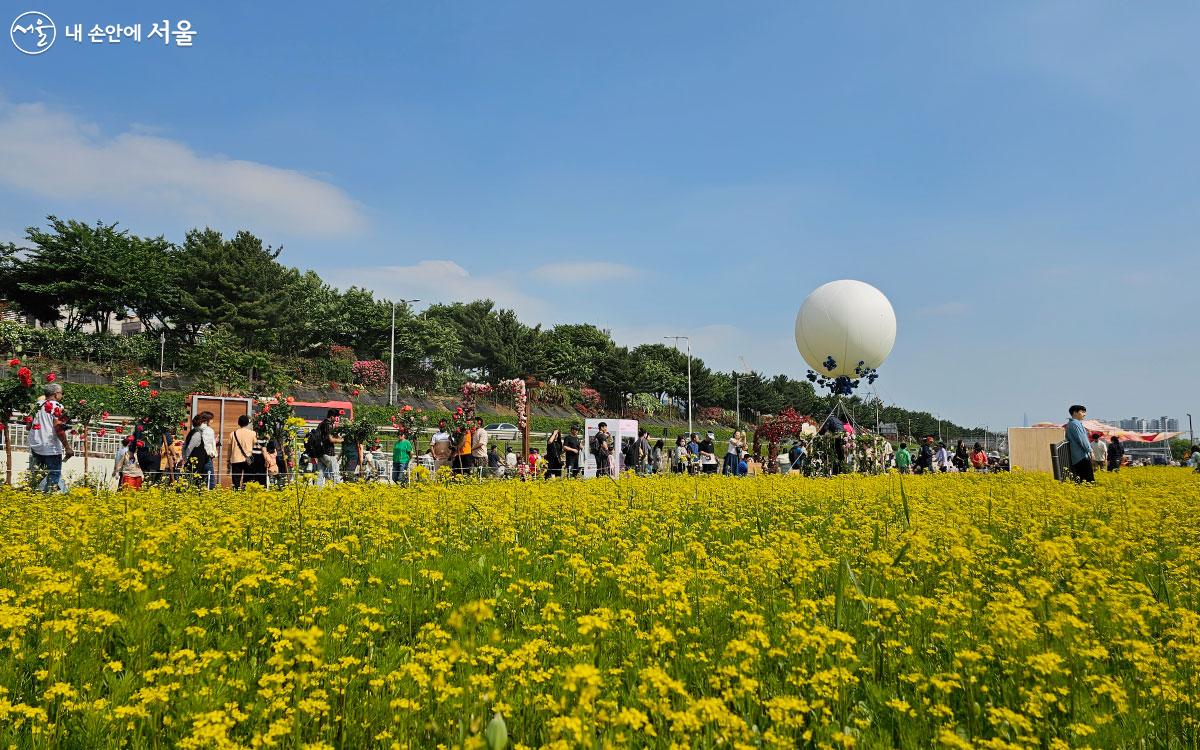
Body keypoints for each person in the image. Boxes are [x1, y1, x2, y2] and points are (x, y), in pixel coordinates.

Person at [29, 383, 72, 493]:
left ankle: (36, 498)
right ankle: (49, 498)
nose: (62, 396)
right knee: (53, 476)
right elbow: (58, 428)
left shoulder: (37, 405)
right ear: (56, 394)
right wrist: (67, 447)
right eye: (61, 393)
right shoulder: (57, 406)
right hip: (51, 448)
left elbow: (28, 426)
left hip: (36, 446)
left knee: (38, 477)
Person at [182, 412, 218, 489]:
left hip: (197, 460)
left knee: (198, 480)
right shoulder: (204, 431)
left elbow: (186, 445)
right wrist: (186, 458)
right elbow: (190, 447)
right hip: (203, 459)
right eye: (211, 419)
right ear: (206, 421)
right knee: (209, 481)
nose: (212, 421)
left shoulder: (195, 431)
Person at [312, 409, 341, 487]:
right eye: (336, 417)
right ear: (332, 417)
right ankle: (339, 491)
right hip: (329, 453)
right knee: (335, 473)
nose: (337, 419)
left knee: (320, 475)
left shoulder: (321, 424)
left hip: (320, 453)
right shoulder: (328, 425)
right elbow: (330, 439)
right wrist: (341, 440)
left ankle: (317, 493)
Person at [1065, 404, 1094, 483]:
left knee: (1081, 480)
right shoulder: (1075, 424)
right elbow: (1082, 440)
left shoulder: (1072, 424)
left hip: (1077, 456)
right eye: (1082, 412)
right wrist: (1090, 451)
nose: (1085, 414)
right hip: (1081, 456)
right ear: (1075, 412)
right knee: (1088, 480)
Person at [228, 414, 257, 490]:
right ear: (247, 423)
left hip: (236, 460)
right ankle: (245, 494)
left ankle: (236, 494)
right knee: (248, 480)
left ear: (238, 423)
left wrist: (228, 460)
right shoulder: (253, 433)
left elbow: (229, 449)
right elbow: (256, 445)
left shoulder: (232, 434)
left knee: (236, 480)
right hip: (248, 460)